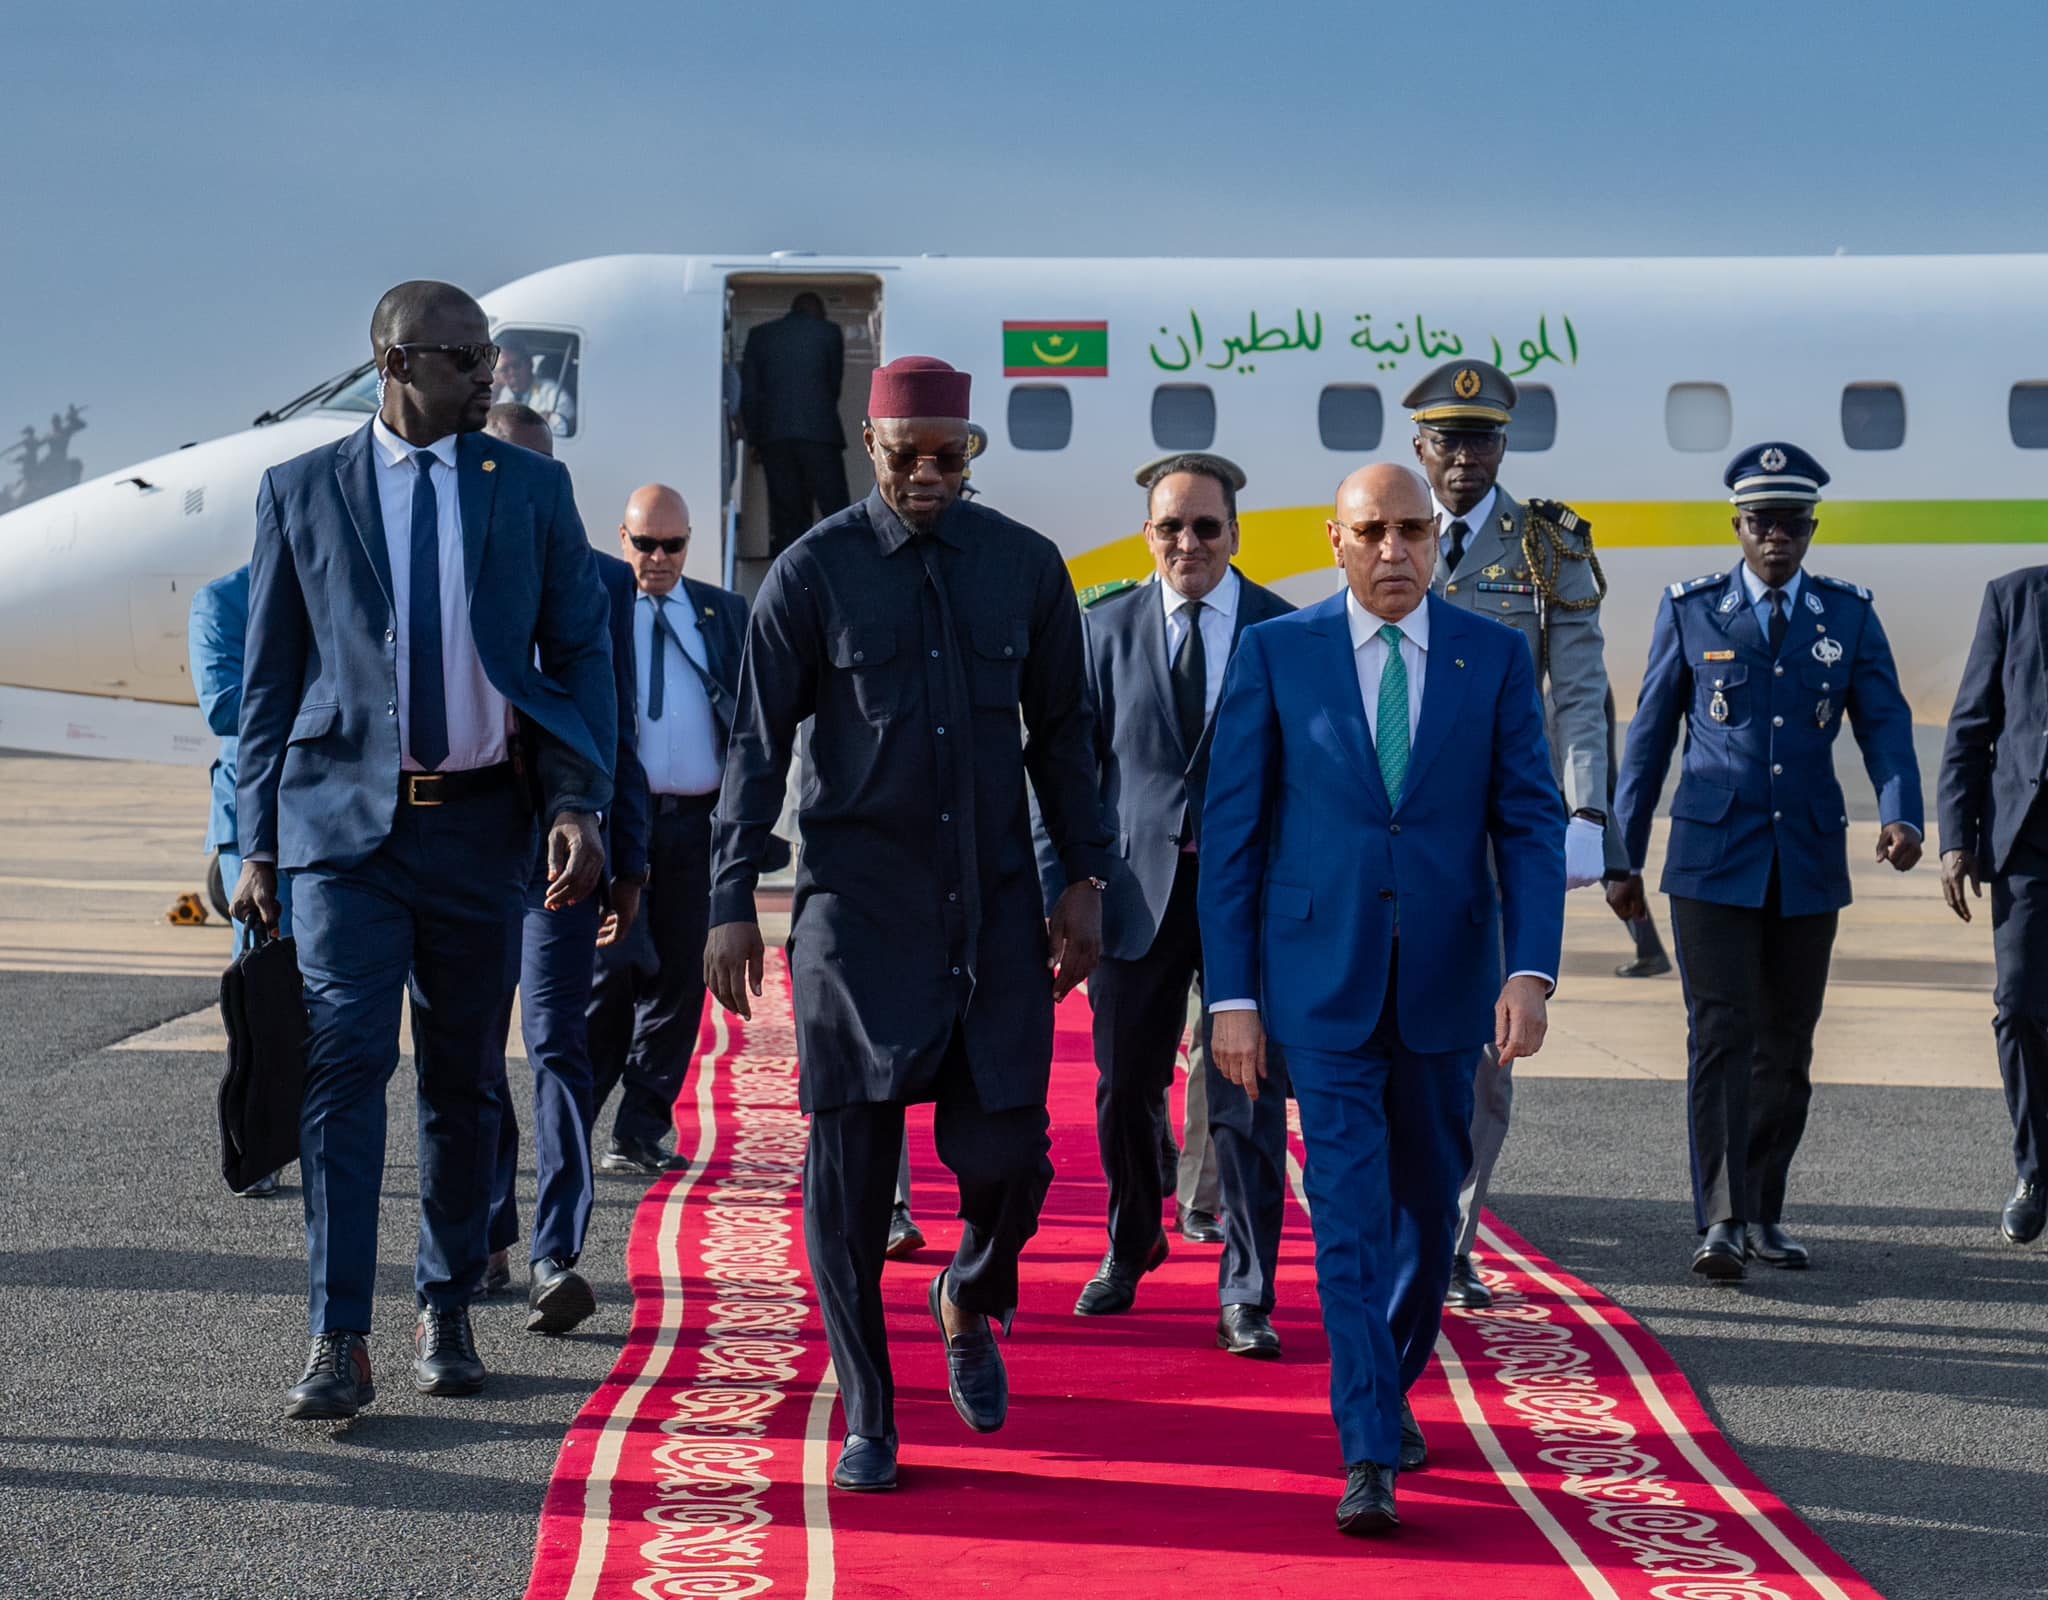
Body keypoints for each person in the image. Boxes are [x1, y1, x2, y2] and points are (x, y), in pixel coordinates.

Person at [704, 356, 1111, 1494]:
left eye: (948, 455)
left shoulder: (1024, 567)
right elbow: (756, 746)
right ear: (870, 450)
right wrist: (730, 897)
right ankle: (870, 1413)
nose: (927, 474)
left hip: (992, 913)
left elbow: (1064, 736)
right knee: (848, 1181)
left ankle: (969, 1294)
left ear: (971, 450)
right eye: (905, 456)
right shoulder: (812, 570)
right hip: (856, 918)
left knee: (1012, 1162)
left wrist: (1085, 878)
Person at [233, 280, 616, 1421]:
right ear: (398, 363)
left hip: (482, 826)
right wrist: (254, 844)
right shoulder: (301, 489)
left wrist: (579, 801)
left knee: (462, 1076)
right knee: (346, 1066)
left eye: (492, 356)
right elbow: (269, 681)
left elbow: (578, 653)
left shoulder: (529, 487)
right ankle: (336, 1334)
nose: (492, 375)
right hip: (342, 833)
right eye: (470, 358)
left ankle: (444, 1301)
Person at [1202, 463, 1565, 1536]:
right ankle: (1366, 1444)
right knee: (1349, 1217)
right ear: (1336, 541)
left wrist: (1530, 968)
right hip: (1318, 986)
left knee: (1426, 1208)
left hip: (1448, 985)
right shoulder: (1277, 652)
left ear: (1435, 541)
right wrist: (1232, 996)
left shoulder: (1491, 656)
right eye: (1372, 531)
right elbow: (1231, 837)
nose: (1394, 549)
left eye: (1412, 529)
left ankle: (1387, 1379)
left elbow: (1529, 825)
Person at [1612, 442, 1922, 1281]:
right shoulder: (1691, 610)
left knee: (1787, 1045)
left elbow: (1885, 723)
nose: (1776, 536)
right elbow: (1648, 741)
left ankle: (1763, 1210)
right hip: (1712, 859)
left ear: (1812, 529)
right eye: (1761, 522)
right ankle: (1720, 1219)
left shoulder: (1846, 615)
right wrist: (1622, 855)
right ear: (1737, 527)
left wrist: (1901, 813)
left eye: (1791, 522)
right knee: (1721, 1033)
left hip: (1807, 859)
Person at [1057, 451, 1295, 1362]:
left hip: (1250, 901)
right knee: (1125, 1089)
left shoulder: (1283, 630)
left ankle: (1247, 1289)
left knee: (1248, 1096)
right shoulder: (1103, 629)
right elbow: (1069, 775)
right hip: (1136, 896)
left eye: (1205, 526)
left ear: (1235, 533)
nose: (1187, 542)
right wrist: (1065, 888)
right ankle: (1131, 1241)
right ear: (1147, 534)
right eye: (1171, 527)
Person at [1401, 358, 1619, 1313]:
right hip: (1395, 829)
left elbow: (1579, 693)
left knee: (1489, 1055)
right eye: (1448, 440)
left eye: (1483, 439)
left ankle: (1453, 1240)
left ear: (1503, 446)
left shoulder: (1547, 549)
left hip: (1495, 835)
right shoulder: (1389, 530)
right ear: (1419, 447)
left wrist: (1587, 813)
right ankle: (1394, 1220)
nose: (1465, 457)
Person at [476, 403, 650, 1331]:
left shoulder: (601, 582)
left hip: (564, 846)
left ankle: (556, 1253)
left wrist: (630, 859)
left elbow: (617, 724)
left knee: (555, 1043)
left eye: (542, 470)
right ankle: (488, 1230)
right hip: (464, 844)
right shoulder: (444, 566)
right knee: (470, 1049)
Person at [586, 483, 746, 1175]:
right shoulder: (596, 607)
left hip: (696, 824)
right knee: (612, 973)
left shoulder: (723, 613)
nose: (658, 558)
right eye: (645, 544)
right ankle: (575, 1121)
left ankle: (641, 1128)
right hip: (620, 821)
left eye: (672, 545)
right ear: (622, 540)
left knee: (682, 979)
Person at [1937, 565, 2048, 1245]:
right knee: (2020, 1006)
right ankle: (2034, 1172)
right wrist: (1957, 840)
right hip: (2029, 843)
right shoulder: (2015, 597)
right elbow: (1971, 726)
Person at [189, 562, 295, 1198]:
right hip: (249, 821)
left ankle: (308, 1129)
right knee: (261, 982)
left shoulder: (326, 582)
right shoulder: (221, 602)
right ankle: (256, 1140)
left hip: (322, 808)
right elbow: (223, 706)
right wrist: (315, 695)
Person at [740, 292, 849, 556]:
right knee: (836, 509)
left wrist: (755, 439)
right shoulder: (829, 332)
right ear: (818, 312)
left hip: (774, 437)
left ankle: (789, 568)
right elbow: (833, 385)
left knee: (786, 514)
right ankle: (843, 561)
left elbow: (749, 394)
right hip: (821, 435)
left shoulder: (760, 335)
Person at [492, 334, 575, 436]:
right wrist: (492, 398)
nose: (512, 373)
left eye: (516, 365)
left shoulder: (552, 392)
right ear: (499, 375)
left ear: (530, 364)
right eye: (504, 369)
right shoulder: (500, 395)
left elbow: (564, 427)